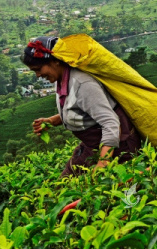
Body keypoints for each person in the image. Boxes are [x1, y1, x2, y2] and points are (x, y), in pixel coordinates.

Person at [25, 36, 142, 178]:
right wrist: (52, 121)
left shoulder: (82, 84)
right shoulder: (60, 79)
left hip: (119, 147)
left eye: (38, 69)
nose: (38, 75)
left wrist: (103, 163)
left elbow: (110, 123)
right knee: (62, 186)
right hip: (92, 147)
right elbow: (80, 110)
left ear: (55, 61)